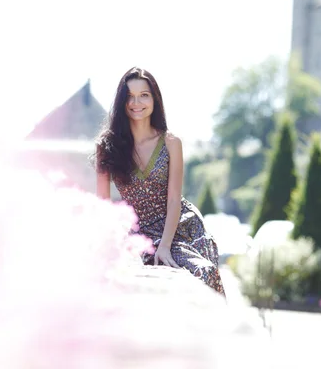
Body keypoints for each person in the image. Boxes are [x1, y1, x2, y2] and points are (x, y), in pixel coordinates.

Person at [93, 67, 225, 296]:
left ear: (154, 99)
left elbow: (174, 199)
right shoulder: (107, 147)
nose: (137, 102)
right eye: (130, 96)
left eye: (144, 95)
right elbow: (103, 206)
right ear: (122, 101)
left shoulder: (171, 142)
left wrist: (164, 246)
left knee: (204, 273)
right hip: (139, 232)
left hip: (180, 229)